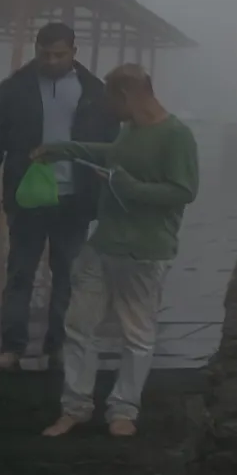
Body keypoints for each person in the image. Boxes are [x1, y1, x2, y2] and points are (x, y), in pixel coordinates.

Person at [35, 65, 199, 438]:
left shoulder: (176, 136)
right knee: (78, 326)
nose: (108, 107)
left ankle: (123, 410)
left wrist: (124, 184)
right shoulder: (131, 132)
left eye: (110, 98)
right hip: (103, 245)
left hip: (145, 250)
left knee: (137, 334)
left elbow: (183, 191)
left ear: (126, 94)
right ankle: (74, 407)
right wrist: (65, 150)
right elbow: (112, 154)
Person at [0, 23, 120, 371]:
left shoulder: (93, 91)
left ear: (74, 51)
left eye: (59, 54)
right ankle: (12, 348)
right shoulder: (14, 89)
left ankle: (58, 346)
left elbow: (112, 141)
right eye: (45, 54)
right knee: (19, 273)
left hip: (76, 197)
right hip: (27, 196)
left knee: (68, 274)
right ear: (36, 50)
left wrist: (114, 185)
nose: (52, 60)